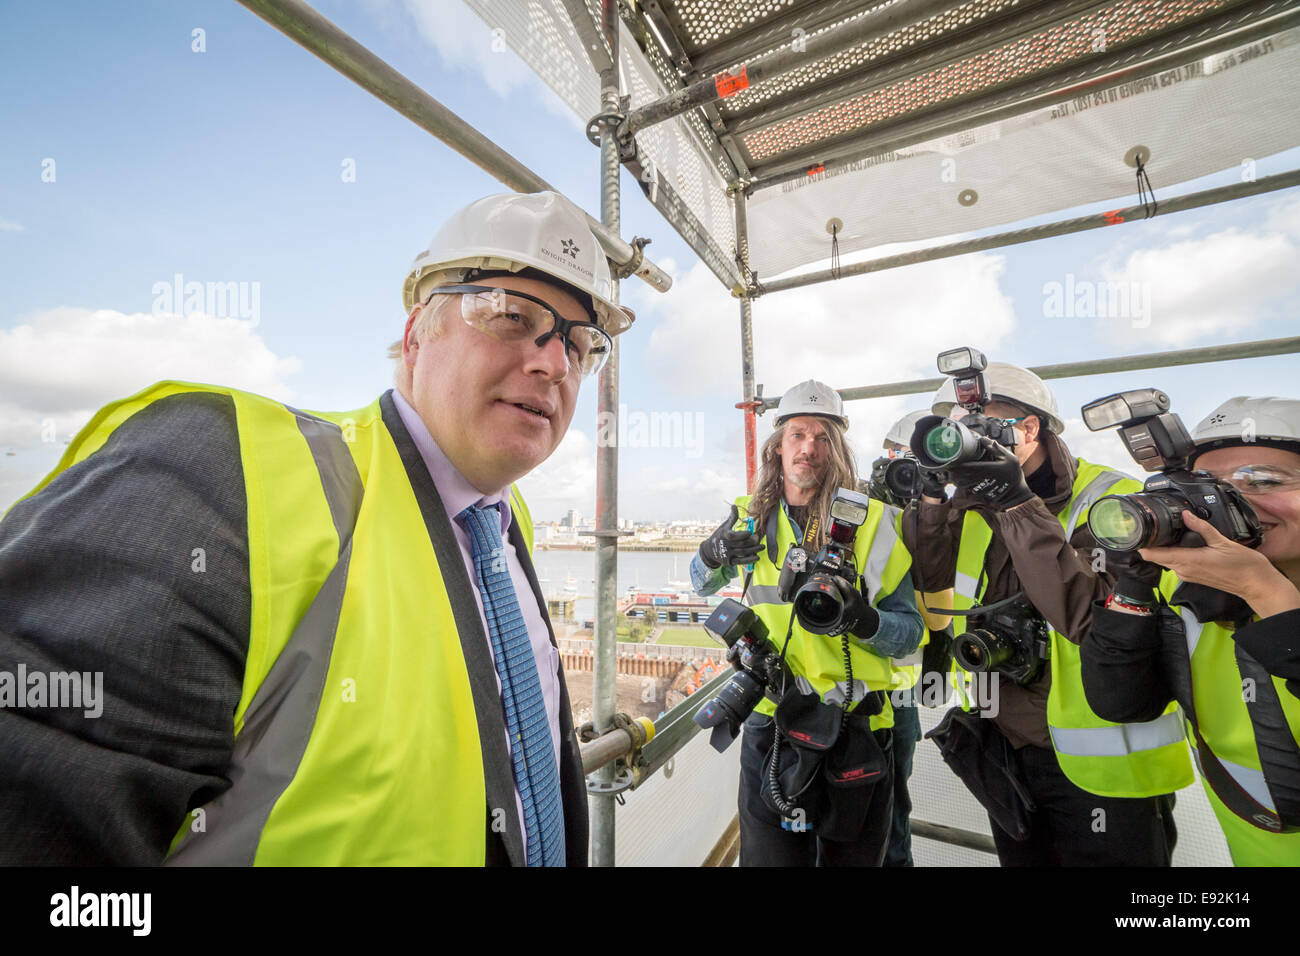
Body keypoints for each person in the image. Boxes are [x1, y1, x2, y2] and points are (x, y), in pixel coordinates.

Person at [0, 190, 630, 866]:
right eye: (511, 316)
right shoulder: (222, 473)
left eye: (579, 344)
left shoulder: (505, 522)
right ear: (417, 335)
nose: (553, 364)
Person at [905, 360, 1191, 866]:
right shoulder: (972, 506)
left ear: (1029, 428)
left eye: (979, 426)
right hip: (1007, 750)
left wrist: (1016, 502)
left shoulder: (1114, 499)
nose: (964, 440)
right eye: (957, 429)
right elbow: (931, 582)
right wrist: (931, 495)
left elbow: (1090, 621)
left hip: (1105, 770)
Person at [692, 380, 923, 866]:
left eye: (822, 437)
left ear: (836, 449)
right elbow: (702, 584)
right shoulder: (749, 518)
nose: (808, 448)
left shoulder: (877, 523)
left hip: (856, 726)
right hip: (772, 719)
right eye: (797, 434)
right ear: (778, 445)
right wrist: (712, 553)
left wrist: (863, 621)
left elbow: (910, 634)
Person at [1081, 396, 1300, 865]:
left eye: (1264, 480)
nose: (1233, 501)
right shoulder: (1197, 599)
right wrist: (1134, 585)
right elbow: (1121, 703)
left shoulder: (1244, 589)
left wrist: (1265, 591)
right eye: (1209, 488)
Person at [865, 409, 954, 867]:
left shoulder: (942, 521)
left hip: (899, 694)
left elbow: (941, 616)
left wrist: (926, 518)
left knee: (891, 814)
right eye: (900, 462)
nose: (909, 475)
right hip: (847, 685)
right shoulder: (859, 510)